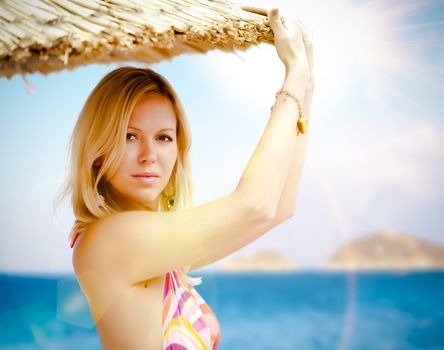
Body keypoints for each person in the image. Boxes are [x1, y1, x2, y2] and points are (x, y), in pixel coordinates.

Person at [60, 7, 315, 350]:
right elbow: (256, 206)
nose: (149, 154)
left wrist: (307, 80)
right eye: (129, 136)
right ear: (98, 149)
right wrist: (294, 76)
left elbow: (279, 207)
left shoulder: (156, 246)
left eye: (164, 137)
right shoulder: (111, 240)